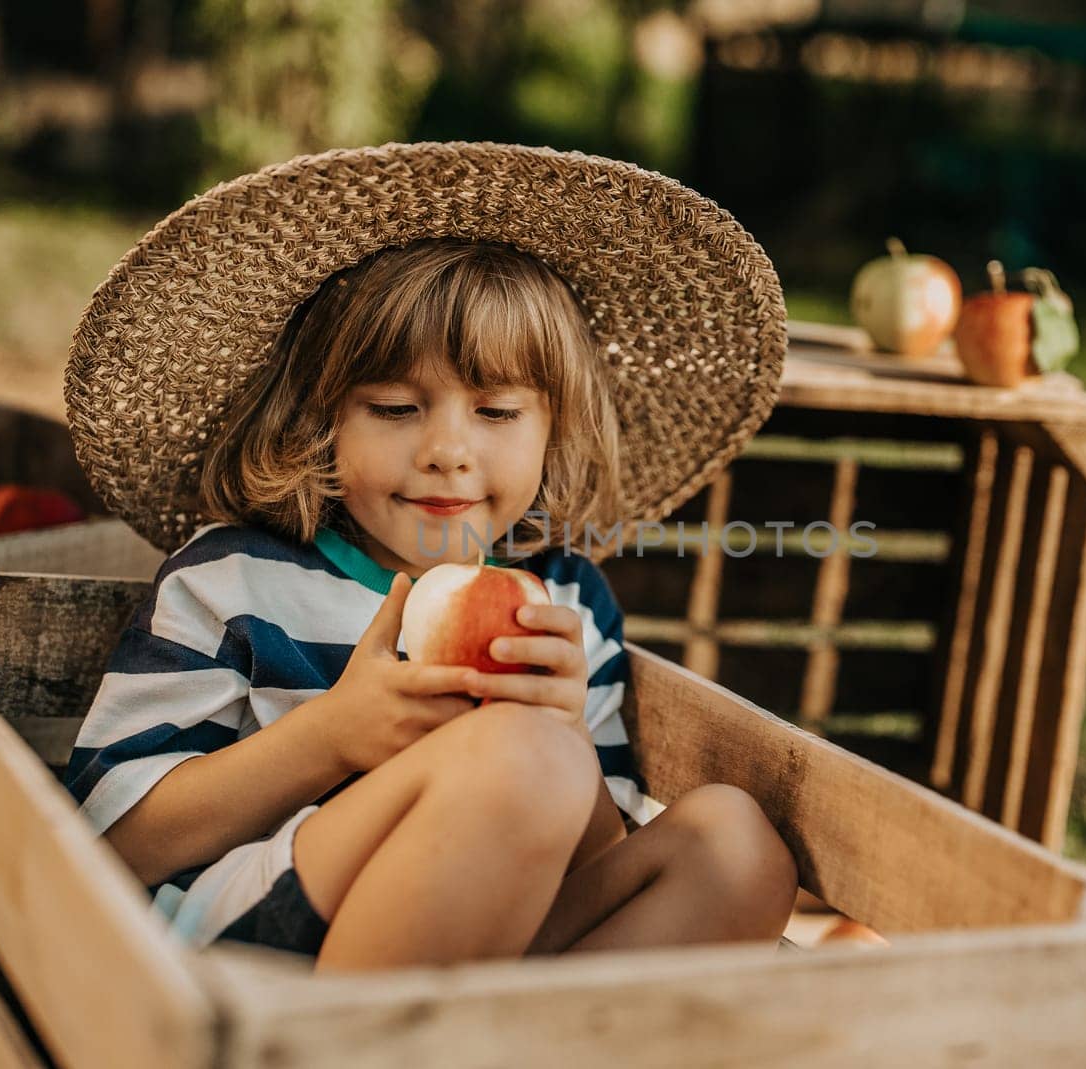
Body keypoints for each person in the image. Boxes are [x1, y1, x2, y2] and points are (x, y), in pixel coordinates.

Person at [62, 142, 797, 973]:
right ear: (321, 417)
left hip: (490, 954)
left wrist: (564, 736)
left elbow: (596, 861)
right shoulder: (237, 579)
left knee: (737, 844)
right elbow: (112, 843)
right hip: (260, 959)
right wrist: (332, 738)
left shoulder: (562, 608)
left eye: (496, 411)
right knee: (528, 760)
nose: (449, 450)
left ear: (553, 428)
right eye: (397, 406)